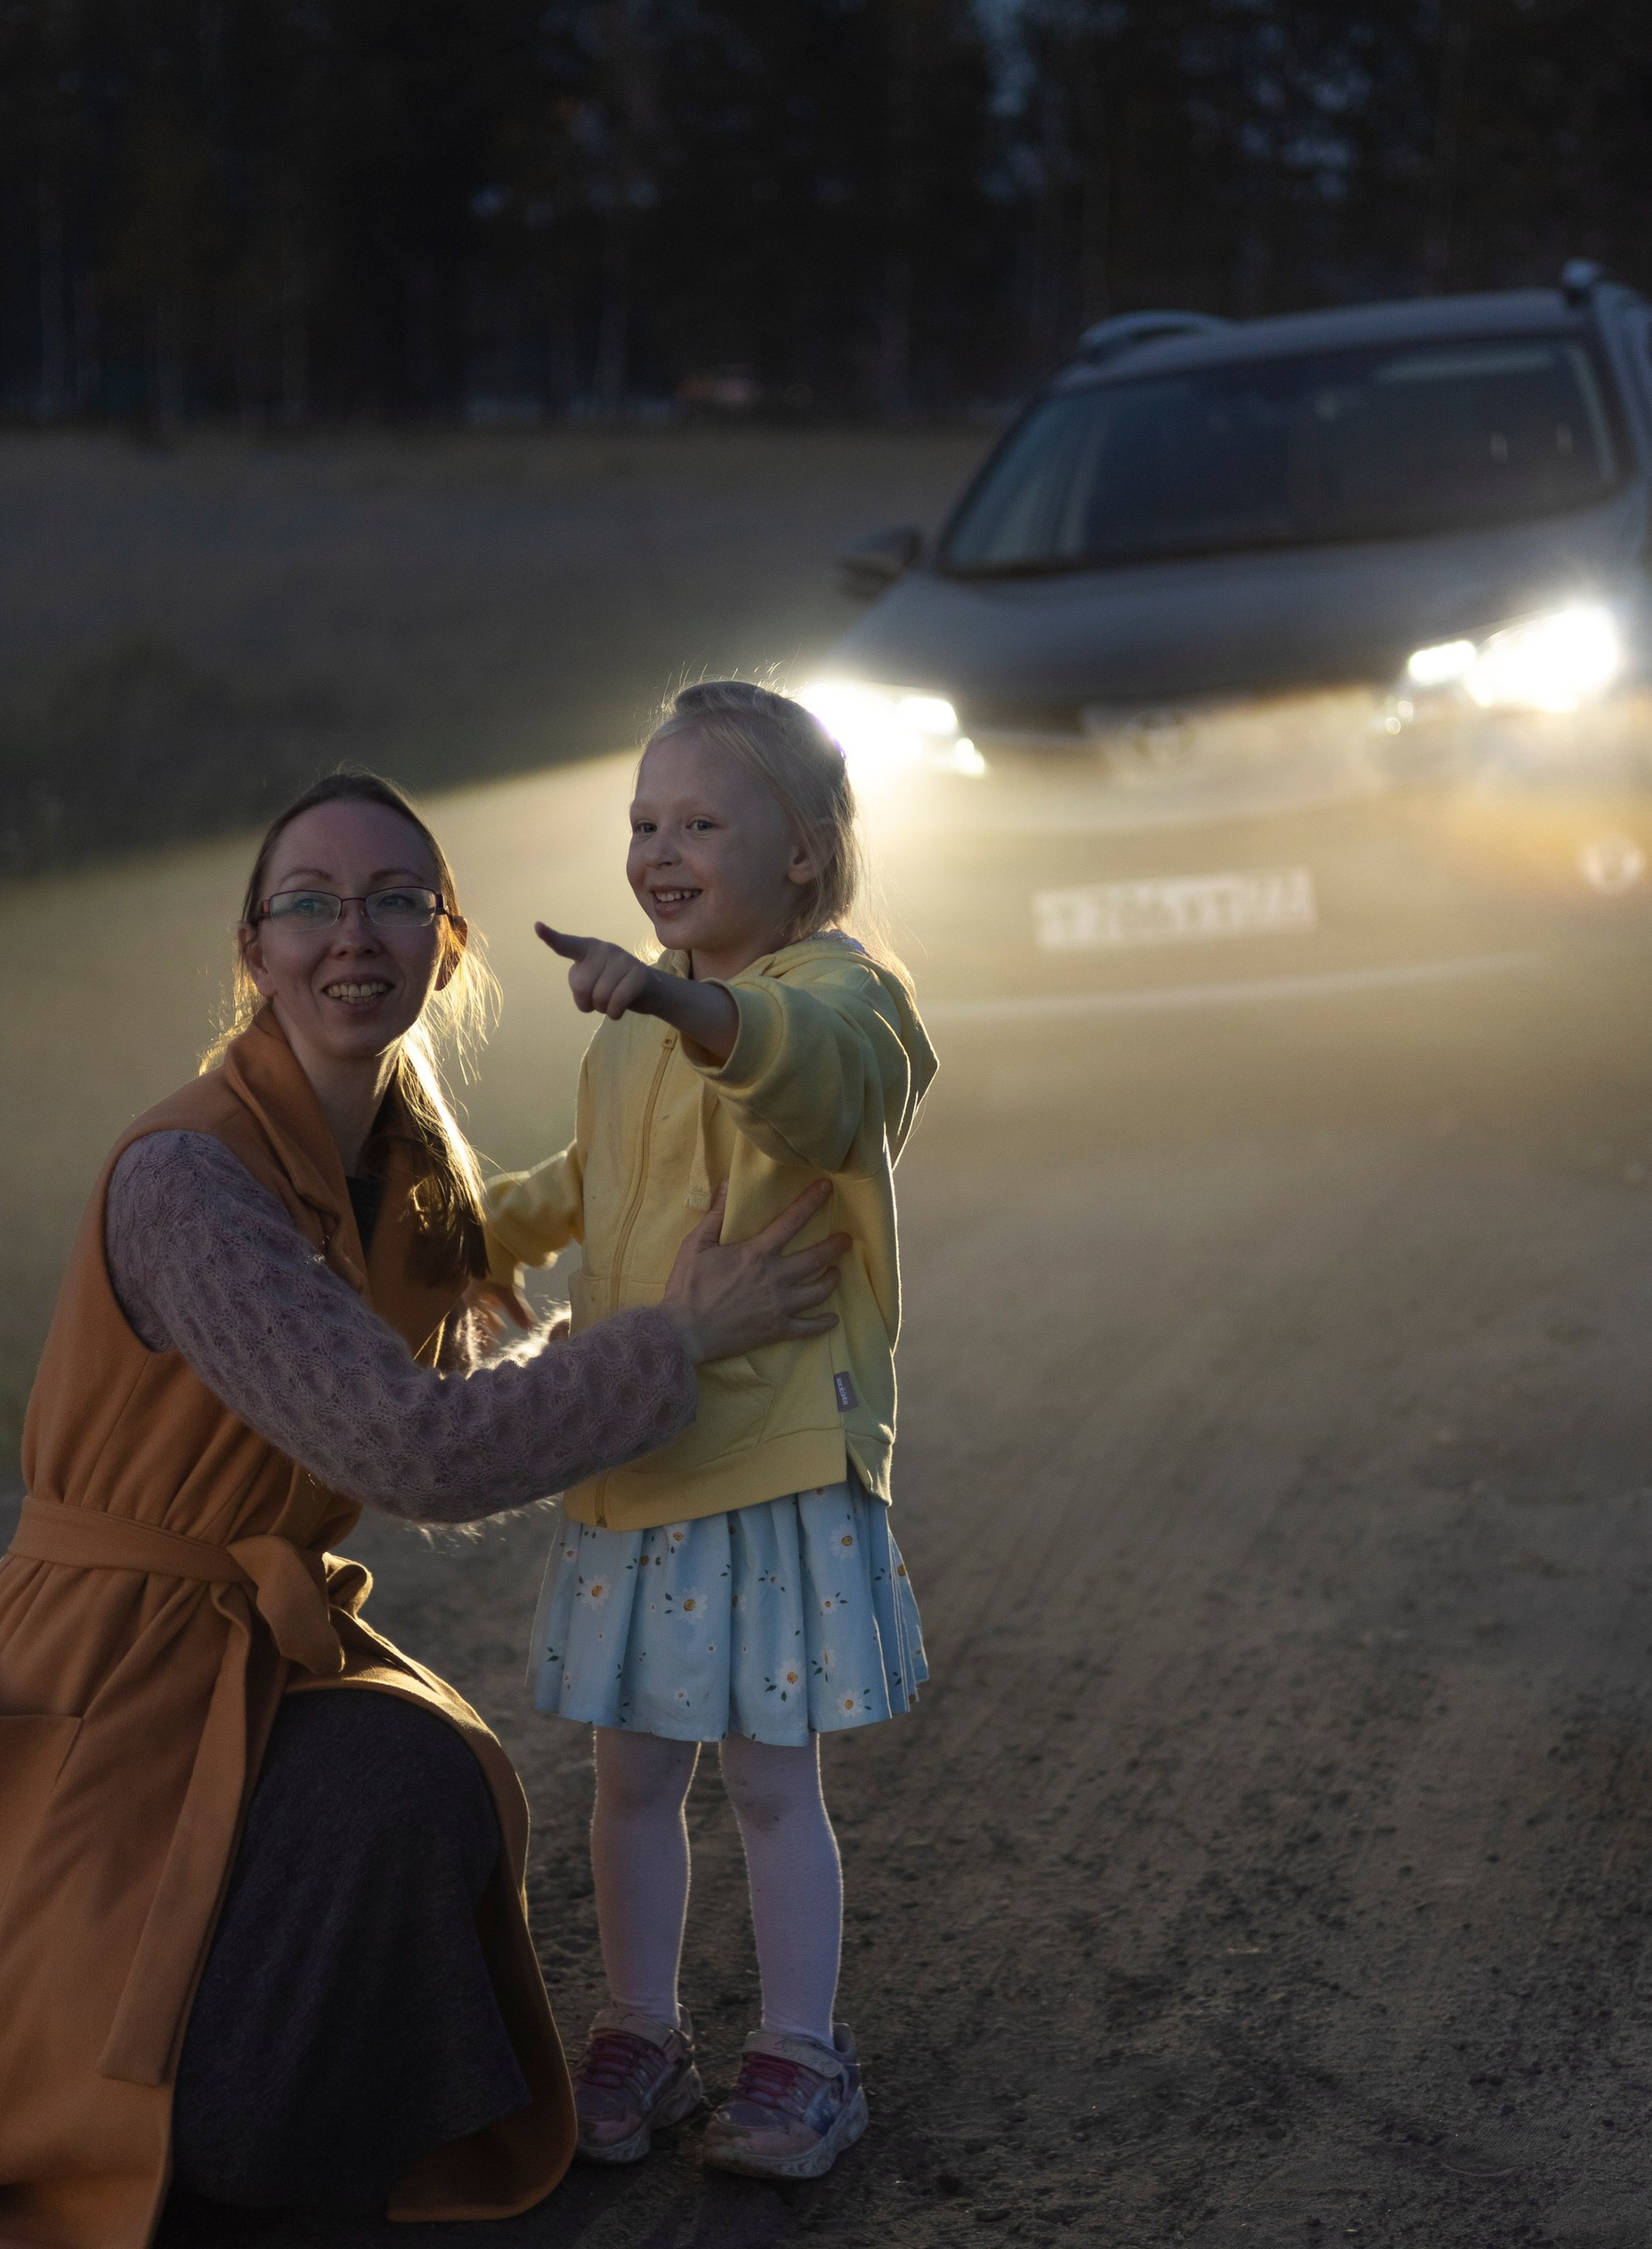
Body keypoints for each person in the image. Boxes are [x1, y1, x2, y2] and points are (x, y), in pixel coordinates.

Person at [0, 769, 851, 2249]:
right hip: (99, 1670)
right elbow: (415, 1447)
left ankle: (288, 2133)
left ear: (447, 946)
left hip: (236, 1642)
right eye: (308, 902)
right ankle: (205, 2131)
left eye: (393, 900)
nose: (348, 933)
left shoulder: (408, 1160)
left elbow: (465, 1368)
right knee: (389, 1782)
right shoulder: (188, 1178)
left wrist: (669, 1287)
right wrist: (676, 1343)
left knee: (423, 1767)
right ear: (255, 950)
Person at [487, 682, 935, 2181]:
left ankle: (804, 2057)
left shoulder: (842, 995)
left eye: (699, 822)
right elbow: (592, 1176)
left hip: (772, 1460)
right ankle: (639, 2025)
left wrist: (679, 1002)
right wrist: (466, 1232)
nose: (660, 850)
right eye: (641, 822)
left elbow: (805, 1083)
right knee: (626, 1774)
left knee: (763, 1775)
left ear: (803, 853)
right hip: (642, 1456)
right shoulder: (636, 1023)